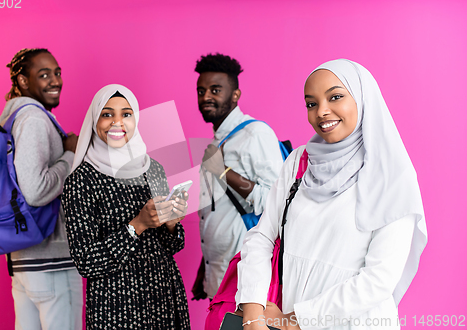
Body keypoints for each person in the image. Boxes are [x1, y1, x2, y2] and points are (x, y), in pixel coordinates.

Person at [236, 59, 427, 329]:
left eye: (335, 97)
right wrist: (253, 315)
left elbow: (379, 278)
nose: (322, 112)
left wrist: (294, 321)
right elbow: (261, 236)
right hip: (287, 315)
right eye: (311, 103)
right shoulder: (299, 162)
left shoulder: (392, 175)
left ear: (362, 99)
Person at [62, 84, 190, 329]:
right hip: (116, 306)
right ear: (94, 120)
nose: (117, 122)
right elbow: (86, 261)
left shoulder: (153, 169)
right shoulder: (81, 181)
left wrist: (172, 223)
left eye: (126, 114)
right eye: (107, 114)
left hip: (162, 296)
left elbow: (173, 246)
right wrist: (137, 225)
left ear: (136, 119)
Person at [0, 48, 82, 330]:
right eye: (43, 74)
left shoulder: (14, 118)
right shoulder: (33, 119)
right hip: (51, 262)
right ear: (23, 81)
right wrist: (70, 155)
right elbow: (34, 191)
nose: (55, 81)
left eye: (57, 73)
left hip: (26, 261)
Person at [192, 53, 284, 301]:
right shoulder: (218, 140)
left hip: (245, 275)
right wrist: (205, 269)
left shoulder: (255, 134)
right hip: (218, 272)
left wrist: (223, 171)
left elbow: (276, 201)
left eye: (215, 90)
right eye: (201, 91)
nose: (206, 97)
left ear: (235, 95)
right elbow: (218, 211)